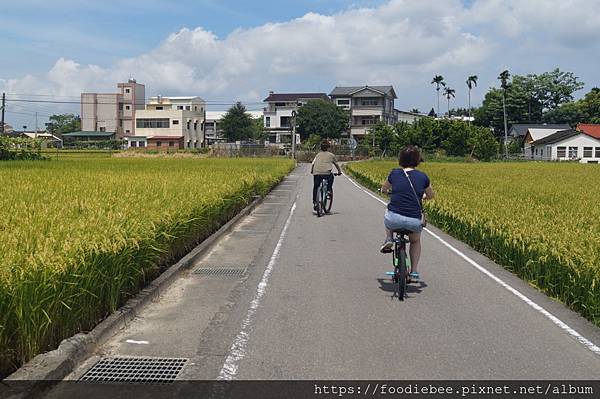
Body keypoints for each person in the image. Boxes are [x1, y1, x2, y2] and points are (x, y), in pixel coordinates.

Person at [379, 145, 434, 283]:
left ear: (401, 159)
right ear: (417, 160)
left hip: (394, 220)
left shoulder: (394, 173)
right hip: (414, 221)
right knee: (415, 241)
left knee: (388, 210)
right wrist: (423, 197)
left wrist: (385, 191)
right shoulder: (423, 177)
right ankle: (414, 271)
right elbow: (430, 195)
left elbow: (384, 189)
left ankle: (389, 238)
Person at [311, 139, 341, 211]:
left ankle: (315, 202)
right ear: (328, 147)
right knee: (331, 176)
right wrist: (339, 172)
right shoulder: (331, 155)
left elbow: (313, 163)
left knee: (316, 186)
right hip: (326, 173)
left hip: (316, 173)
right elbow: (336, 164)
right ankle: (328, 190)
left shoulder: (317, 155)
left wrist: (312, 171)